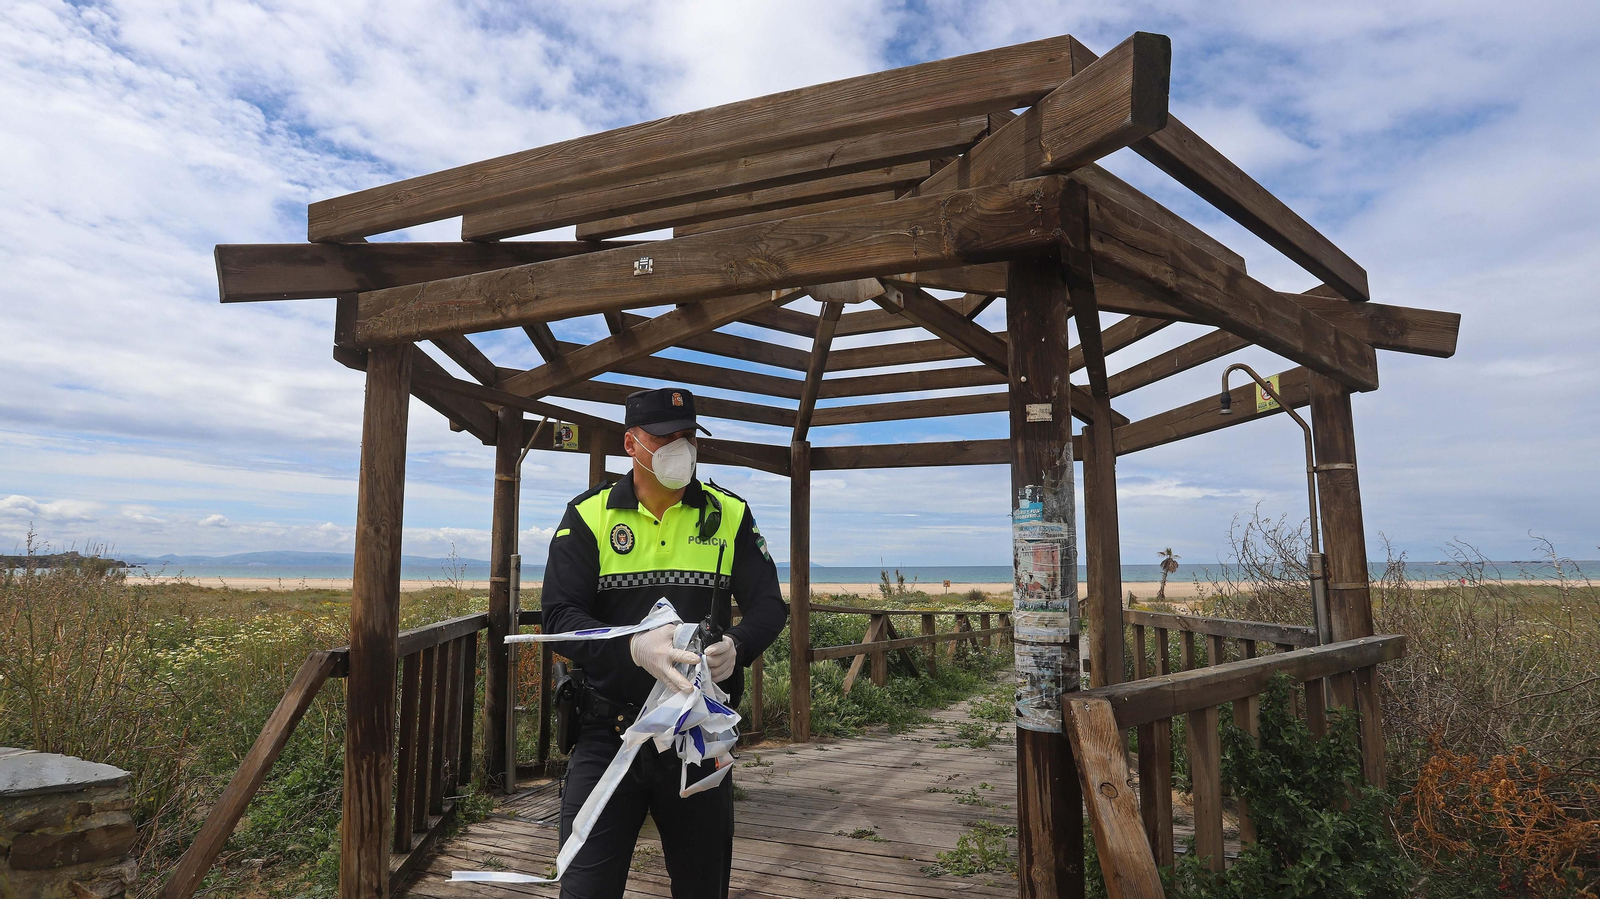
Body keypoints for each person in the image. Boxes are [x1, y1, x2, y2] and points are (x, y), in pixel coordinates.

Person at [540, 387, 788, 899]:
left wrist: (738, 646)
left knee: (703, 887)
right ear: (631, 444)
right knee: (585, 887)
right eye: (665, 437)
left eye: (689, 436)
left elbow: (769, 606)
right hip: (608, 732)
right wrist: (630, 648)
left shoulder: (731, 515)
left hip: (697, 738)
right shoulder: (591, 515)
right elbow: (560, 617)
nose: (682, 447)